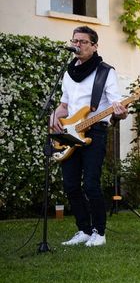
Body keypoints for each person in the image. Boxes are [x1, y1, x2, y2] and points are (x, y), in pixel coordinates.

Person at [50, 26, 128, 247]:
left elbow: (116, 105)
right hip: (70, 132)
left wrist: (122, 112)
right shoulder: (68, 72)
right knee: (71, 184)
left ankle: (99, 233)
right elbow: (65, 105)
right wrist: (54, 115)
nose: (78, 45)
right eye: (75, 40)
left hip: (95, 131)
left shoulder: (105, 72)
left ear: (95, 46)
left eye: (84, 41)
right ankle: (83, 229)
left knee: (91, 184)